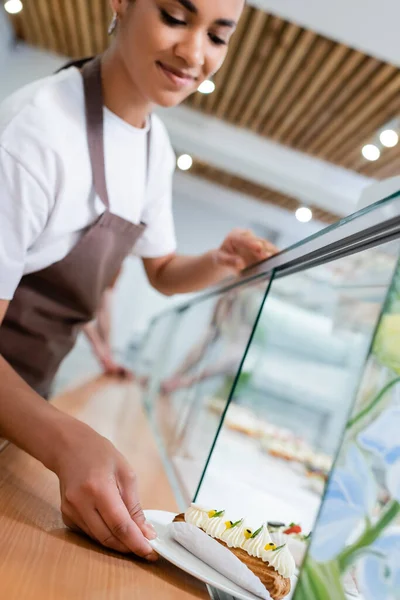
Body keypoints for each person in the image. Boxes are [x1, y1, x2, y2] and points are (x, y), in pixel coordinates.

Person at [0, 0, 277, 562]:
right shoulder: (37, 132)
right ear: (119, 4)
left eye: (218, 37)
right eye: (176, 17)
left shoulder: (153, 146)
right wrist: (65, 441)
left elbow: (163, 272)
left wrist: (219, 260)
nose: (194, 54)